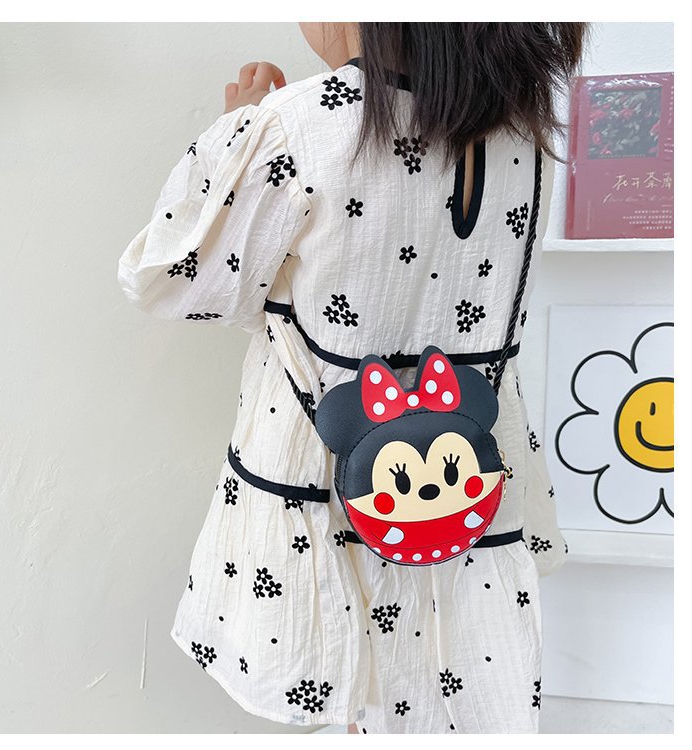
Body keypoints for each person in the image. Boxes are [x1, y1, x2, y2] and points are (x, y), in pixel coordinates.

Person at [117, 21, 589, 734]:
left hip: (325, 468)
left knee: (357, 672)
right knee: (441, 682)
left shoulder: (297, 126)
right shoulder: (524, 131)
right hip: (466, 474)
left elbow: (176, 283)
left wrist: (235, 139)